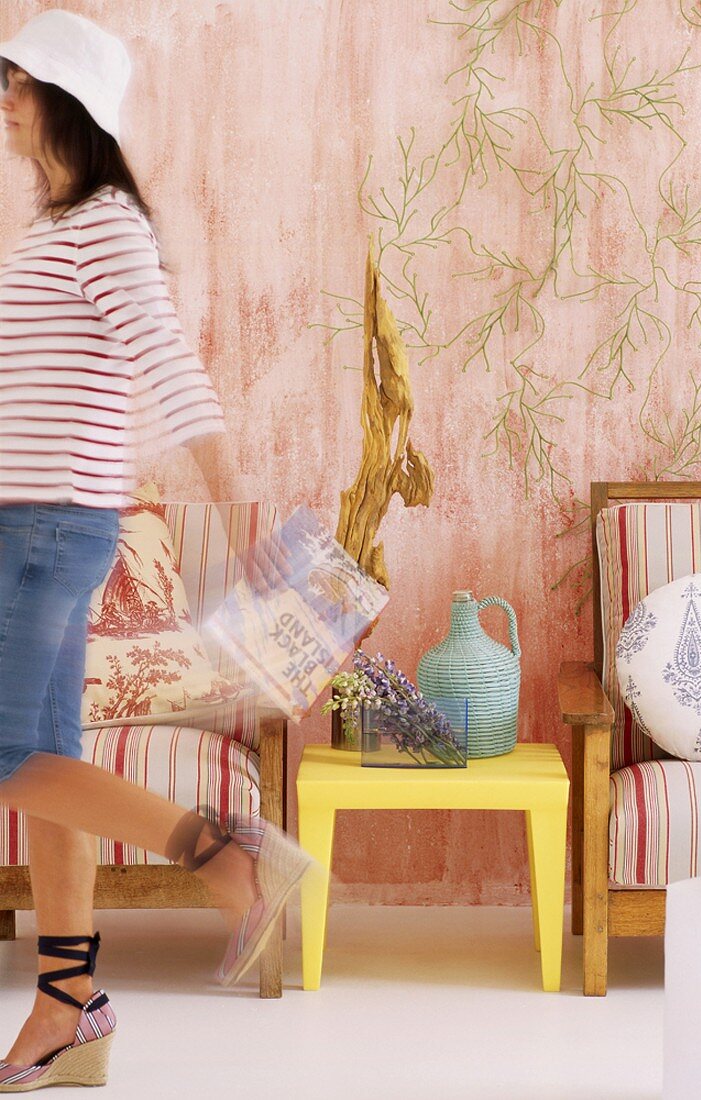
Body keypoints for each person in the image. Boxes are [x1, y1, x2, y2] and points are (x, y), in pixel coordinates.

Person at [0, 9, 313, 1092]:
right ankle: (69, 1005)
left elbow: (170, 366)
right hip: (33, 521)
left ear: (59, 101)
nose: (3, 97)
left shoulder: (100, 224)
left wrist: (239, 513)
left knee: (6, 756)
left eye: (16, 79)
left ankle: (228, 854)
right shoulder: (55, 227)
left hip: (43, 529)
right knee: (47, 776)